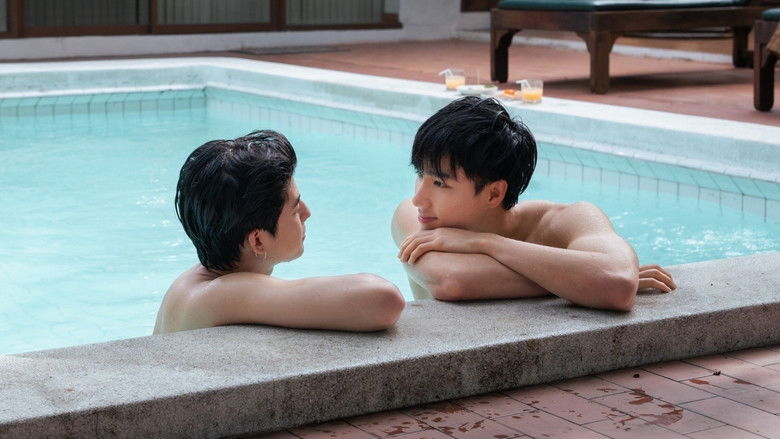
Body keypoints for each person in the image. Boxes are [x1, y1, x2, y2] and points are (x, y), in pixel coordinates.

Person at [391, 97, 675, 311]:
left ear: (493, 194)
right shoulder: (413, 215)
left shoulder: (570, 219)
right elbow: (452, 281)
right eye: (420, 175)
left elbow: (617, 284)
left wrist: (486, 243)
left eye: (440, 183)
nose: (418, 198)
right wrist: (582, 282)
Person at [155, 130, 404, 334]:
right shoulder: (222, 293)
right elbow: (384, 300)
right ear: (258, 241)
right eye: (295, 209)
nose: (307, 213)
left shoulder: (192, 282)